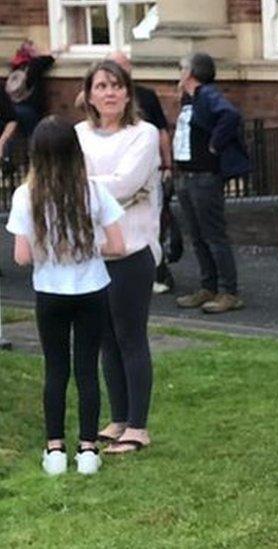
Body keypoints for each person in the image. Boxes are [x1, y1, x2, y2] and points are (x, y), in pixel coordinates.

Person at [7, 116, 126, 475]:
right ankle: (88, 449)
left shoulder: (25, 195)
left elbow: (22, 256)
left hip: (50, 291)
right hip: (92, 288)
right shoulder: (93, 191)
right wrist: (86, 248)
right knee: (87, 370)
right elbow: (119, 245)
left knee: (55, 369)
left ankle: (55, 449)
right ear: (76, 152)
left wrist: (50, 251)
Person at [76, 59, 162, 454]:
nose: (109, 93)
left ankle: (138, 426)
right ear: (89, 94)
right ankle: (119, 416)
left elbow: (126, 182)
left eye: (116, 85)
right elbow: (70, 181)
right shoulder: (78, 135)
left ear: (127, 92)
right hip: (92, 251)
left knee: (130, 336)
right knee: (105, 339)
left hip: (131, 249)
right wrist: (102, 189)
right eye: (101, 86)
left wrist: (86, 188)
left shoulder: (142, 135)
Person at [172, 53, 249, 313]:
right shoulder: (189, 99)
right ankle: (209, 286)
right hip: (186, 174)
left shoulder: (207, 94)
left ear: (192, 72)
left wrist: (215, 144)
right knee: (197, 235)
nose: (179, 72)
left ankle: (229, 291)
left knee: (214, 235)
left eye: (182, 68)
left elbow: (230, 116)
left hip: (204, 176)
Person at [105, 51, 178, 295]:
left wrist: (168, 165)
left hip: (145, 173)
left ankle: (158, 271)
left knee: (150, 221)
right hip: (112, 172)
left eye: (121, 67)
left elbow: (161, 131)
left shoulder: (145, 97)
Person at [6, 40, 56, 139]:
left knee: (17, 138)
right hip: (29, 108)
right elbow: (49, 59)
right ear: (32, 52)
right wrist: (43, 53)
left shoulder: (15, 66)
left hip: (14, 107)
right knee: (33, 137)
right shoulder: (34, 65)